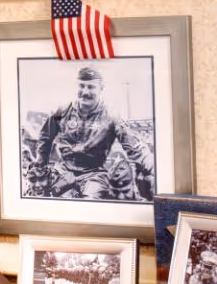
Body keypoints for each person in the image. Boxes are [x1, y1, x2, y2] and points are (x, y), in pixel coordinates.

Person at [32, 66, 154, 200]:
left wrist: (152, 167)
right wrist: (40, 163)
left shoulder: (111, 116)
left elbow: (134, 146)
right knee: (56, 203)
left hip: (93, 174)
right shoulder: (63, 110)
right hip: (63, 170)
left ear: (101, 88)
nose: (85, 92)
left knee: (90, 204)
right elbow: (45, 136)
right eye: (81, 86)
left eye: (91, 87)